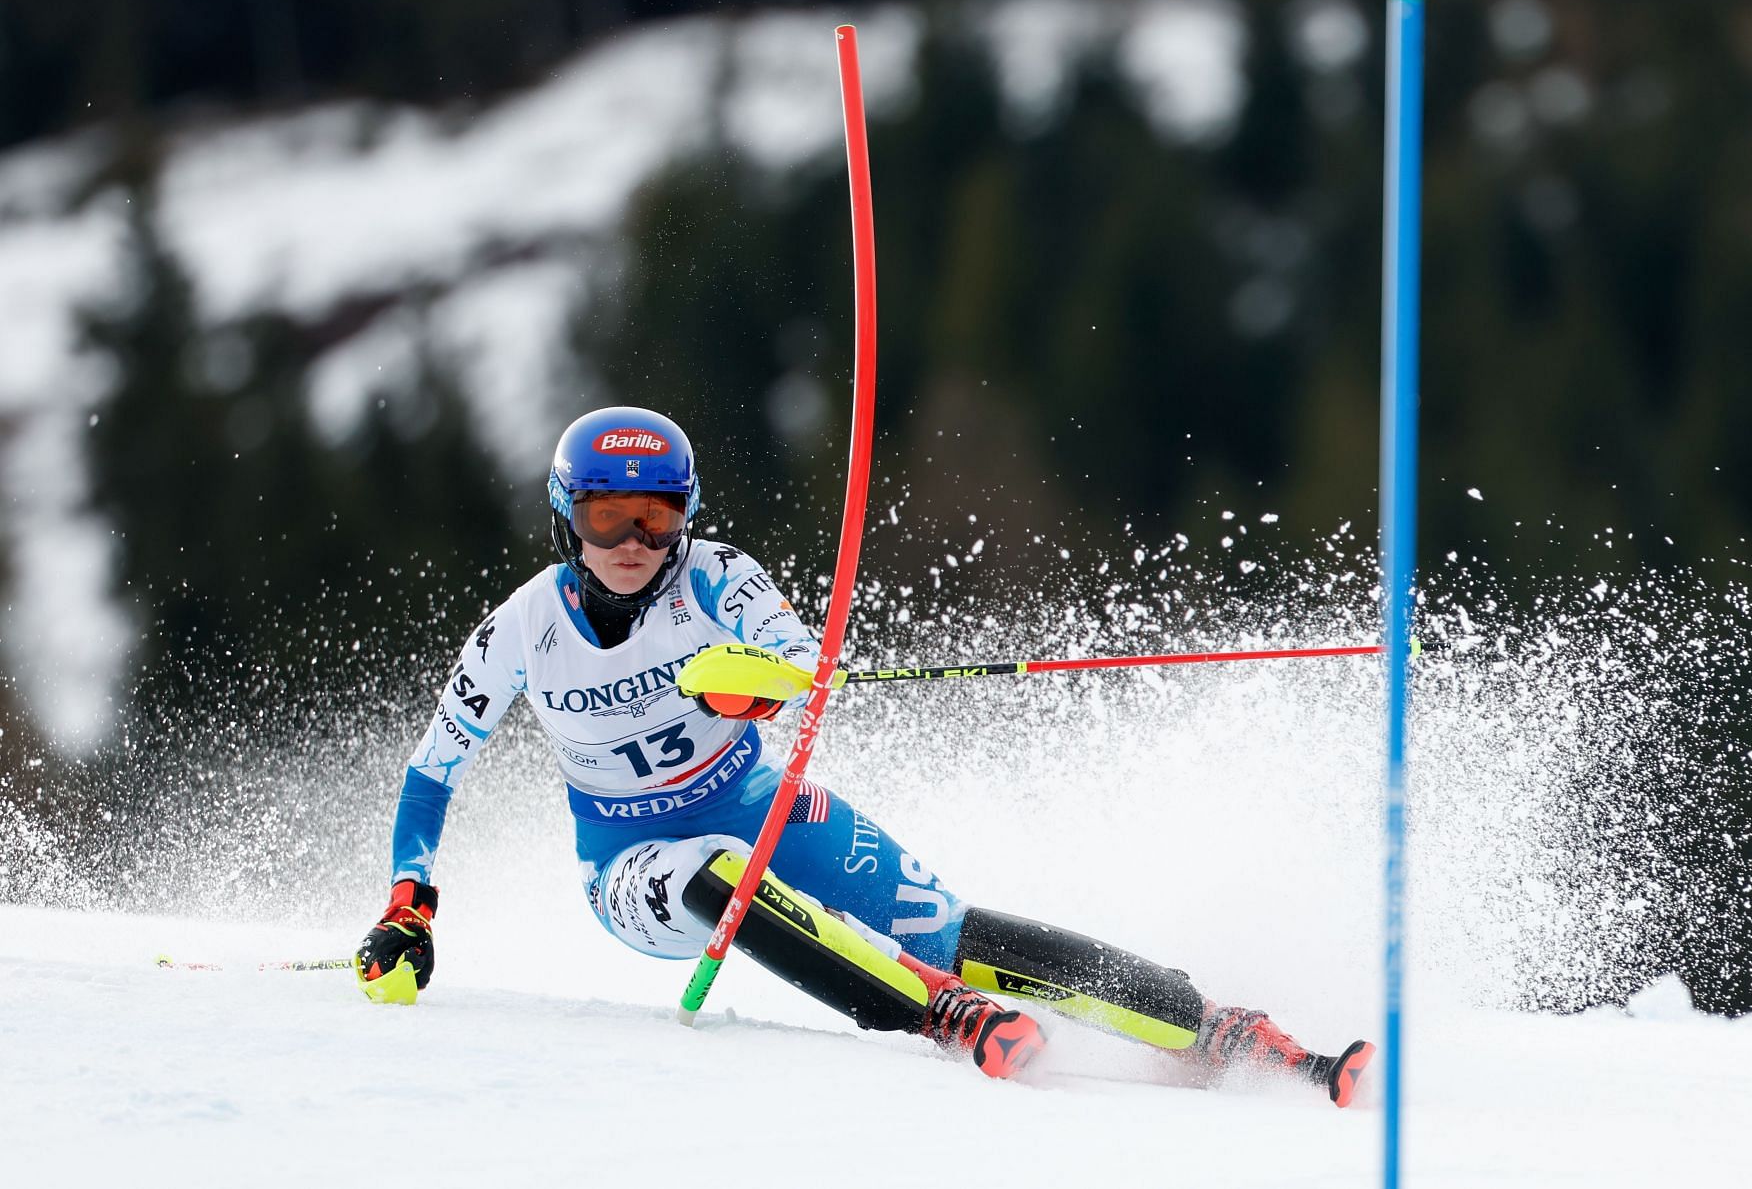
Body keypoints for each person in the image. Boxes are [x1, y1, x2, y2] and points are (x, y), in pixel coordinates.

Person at [356, 405, 1375, 1101]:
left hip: (756, 799)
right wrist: (411, 902)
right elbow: (435, 764)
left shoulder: (715, 578)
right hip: (628, 863)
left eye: (658, 513)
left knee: (950, 923)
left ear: (686, 517)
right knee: (718, 878)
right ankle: (942, 1017)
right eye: (605, 514)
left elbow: (805, 658)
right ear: (564, 519)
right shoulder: (519, 629)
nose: (633, 537)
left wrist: (744, 673)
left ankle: (1225, 1033)